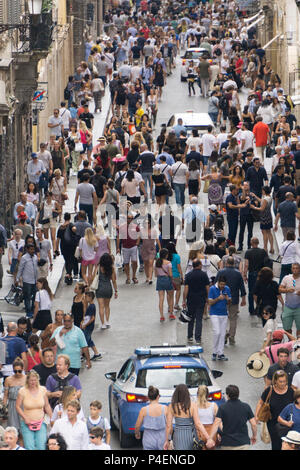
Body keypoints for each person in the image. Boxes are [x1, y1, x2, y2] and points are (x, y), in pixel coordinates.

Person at [163, 384, 214, 451]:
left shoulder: (172, 406)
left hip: (178, 434)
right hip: (191, 434)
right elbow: (198, 423)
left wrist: (166, 440)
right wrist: (208, 438)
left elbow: (168, 426)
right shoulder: (192, 405)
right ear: (187, 393)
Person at [255, 370, 294, 450]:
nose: (283, 383)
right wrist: (256, 416)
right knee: (276, 445)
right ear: (275, 381)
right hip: (273, 424)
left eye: (284, 381)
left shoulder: (290, 391)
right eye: (280, 381)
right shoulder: (270, 390)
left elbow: (296, 405)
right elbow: (260, 403)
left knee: (287, 445)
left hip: (287, 424)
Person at [211, 384, 257, 451]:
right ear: (238, 394)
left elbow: (216, 423)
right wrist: (254, 436)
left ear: (227, 395)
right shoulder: (246, 406)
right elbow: (254, 424)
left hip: (227, 443)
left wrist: (210, 438)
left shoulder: (222, 408)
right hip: (243, 443)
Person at [16, 370, 52, 450]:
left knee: (41, 446)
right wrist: (25, 417)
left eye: (35, 380)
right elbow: (17, 406)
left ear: (38, 380)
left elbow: (47, 405)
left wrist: (52, 418)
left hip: (40, 421)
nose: (33, 382)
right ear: (27, 380)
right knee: (29, 446)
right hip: (27, 422)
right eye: (31, 380)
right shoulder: (22, 391)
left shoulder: (43, 390)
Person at [215, 257, 246, 346]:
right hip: (234, 298)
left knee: (222, 318)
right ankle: (232, 336)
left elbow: (215, 284)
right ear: (234, 264)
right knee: (233, 318)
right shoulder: (238, 273)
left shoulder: (221, 272)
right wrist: (243, 298)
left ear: (226, 263)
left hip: (222, 299)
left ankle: (224, 333)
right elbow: (242, 287)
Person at [182, 259, 210, 345]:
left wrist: (184, 300)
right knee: (199, 319)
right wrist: (208, 298)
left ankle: (190, 336)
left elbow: (186, 289)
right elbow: (207, 287)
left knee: (191, 318)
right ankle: (198, 338)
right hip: (201, 299)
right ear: (199, 265)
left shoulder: (188, 275)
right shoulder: (204, 275)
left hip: (191, 299)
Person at [135, 386, 167, 450]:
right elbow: (169, 425)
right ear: (158, 397)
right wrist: (169, 438)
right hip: (162, 438)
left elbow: (137, 425)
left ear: (148, 397)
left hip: (148, 438)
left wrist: (137, 433)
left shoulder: (143, 410)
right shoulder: (165, 408)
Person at [208, 275, 231, 361]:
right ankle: (214, 352)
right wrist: (218, 298)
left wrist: (228, 299)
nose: (222, 286)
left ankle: (220, 352)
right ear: (218, 282)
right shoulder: (212, 289)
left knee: (222, 334)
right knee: (217, 332)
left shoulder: (227, 289)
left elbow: (229, 302)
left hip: (224, 314)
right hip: (214, 313)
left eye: (223, 285)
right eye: (221, 284)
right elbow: (210, 302)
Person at [243, 237, 268, 316]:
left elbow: (246, 265)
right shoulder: (263, 252)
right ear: (258, 243)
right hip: (261, 274)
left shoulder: (248, 252)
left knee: (251, 292)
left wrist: (244, 274)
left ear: (251, 243)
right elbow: (267, 263)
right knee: (261, 291)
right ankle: (261, 307)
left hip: (252, 274)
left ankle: (251, 309)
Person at [3, 358, 26, 432]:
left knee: (24, 429)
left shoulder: (26, 379)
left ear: (22, 369)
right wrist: (4, 408)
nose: (17, 373)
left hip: (24, 405)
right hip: (12, 405)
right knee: (13, 430)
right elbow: (5, 395)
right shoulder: (8, 380)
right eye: (15, 371)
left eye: (19, 371)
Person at [117, 213, 140, 285]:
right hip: (125, 247)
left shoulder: (135, 226)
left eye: (131, 218)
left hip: (133, 246)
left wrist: (137, 242)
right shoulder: (122, 227)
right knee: (126, 263)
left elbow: (139, 233)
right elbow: (118, 237)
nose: (129, 220)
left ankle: (134, 276)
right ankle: (128, 277)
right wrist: (118, 247)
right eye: (128, 218)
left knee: (134, 261)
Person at [95, 253, 117, 329]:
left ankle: (103, 323)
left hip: (100, 288)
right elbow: (114, 280)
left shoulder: (98, 267)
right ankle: (107, 321)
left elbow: (94, 276)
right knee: (107, 306)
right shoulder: (112, 268)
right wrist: (116, 291)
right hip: (108, 287)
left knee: (101, 307)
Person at [15, 244, 38, 319]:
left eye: (33, 249)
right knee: (27, 296)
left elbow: (36, 269)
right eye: (31, 249)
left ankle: (32, 309)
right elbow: (20, 268)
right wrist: (17, 279)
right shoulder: (24, 258)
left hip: (34, 280)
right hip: (27, 281)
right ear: (27, 250)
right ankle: (28, 312)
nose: (32, 251)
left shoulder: (35, 257)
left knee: (35, 296)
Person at [279, 263, 300, 337]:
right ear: (291, 269)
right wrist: (287, 290)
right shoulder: (287, 278)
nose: (295, 270)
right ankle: (290, 340)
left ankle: (298, 342)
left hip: (298, 307)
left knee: (299, 328)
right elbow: (279, 289)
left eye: (297, 268)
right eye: (293, 268)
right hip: (288, 306)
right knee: (287, 328)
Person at [155, 248, 175, 322]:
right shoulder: (168, 263)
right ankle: (171, 313)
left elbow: (155, 274)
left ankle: (162, 316)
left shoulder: (157, 263)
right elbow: (170, 274)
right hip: (167, 280)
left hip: (160, 280)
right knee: (170, 297)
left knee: (161, 299)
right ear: (166, 255)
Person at [80, 291, 101, 361]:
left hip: (88, 327)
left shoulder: (92, 306)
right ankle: (96, 353)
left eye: (86, 297)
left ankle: (83, 355)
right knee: (88, 340)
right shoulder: (91, 305)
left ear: (90, 297)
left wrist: (85, 325)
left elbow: (92, 318)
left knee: (84, 341)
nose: (85, 298)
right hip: (88, 326)